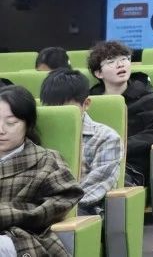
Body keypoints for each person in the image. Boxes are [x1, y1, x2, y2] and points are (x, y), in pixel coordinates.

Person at [0, 85, 84, 257]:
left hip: (22, 236)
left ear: (28, 124)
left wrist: (10, 214)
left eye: (11, 123)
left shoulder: (46, 160)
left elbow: (64, 199)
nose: (1, 130)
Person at [87, 41, 153, 187]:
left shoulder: (146, 98)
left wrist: (121, 146)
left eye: (124, 59)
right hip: (93, 165)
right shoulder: (90, 103)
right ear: (98, 73)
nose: (120, 65)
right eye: (111, 62)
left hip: (131, 168)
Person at [39, 68, 122, 215]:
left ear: (86, 104)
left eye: (66, 108)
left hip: (81, 210)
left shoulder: (106, 137)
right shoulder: (38, 133)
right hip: (39, 207)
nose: (60, 114)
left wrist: (53, 207)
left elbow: (96, 187)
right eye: (52, 108)